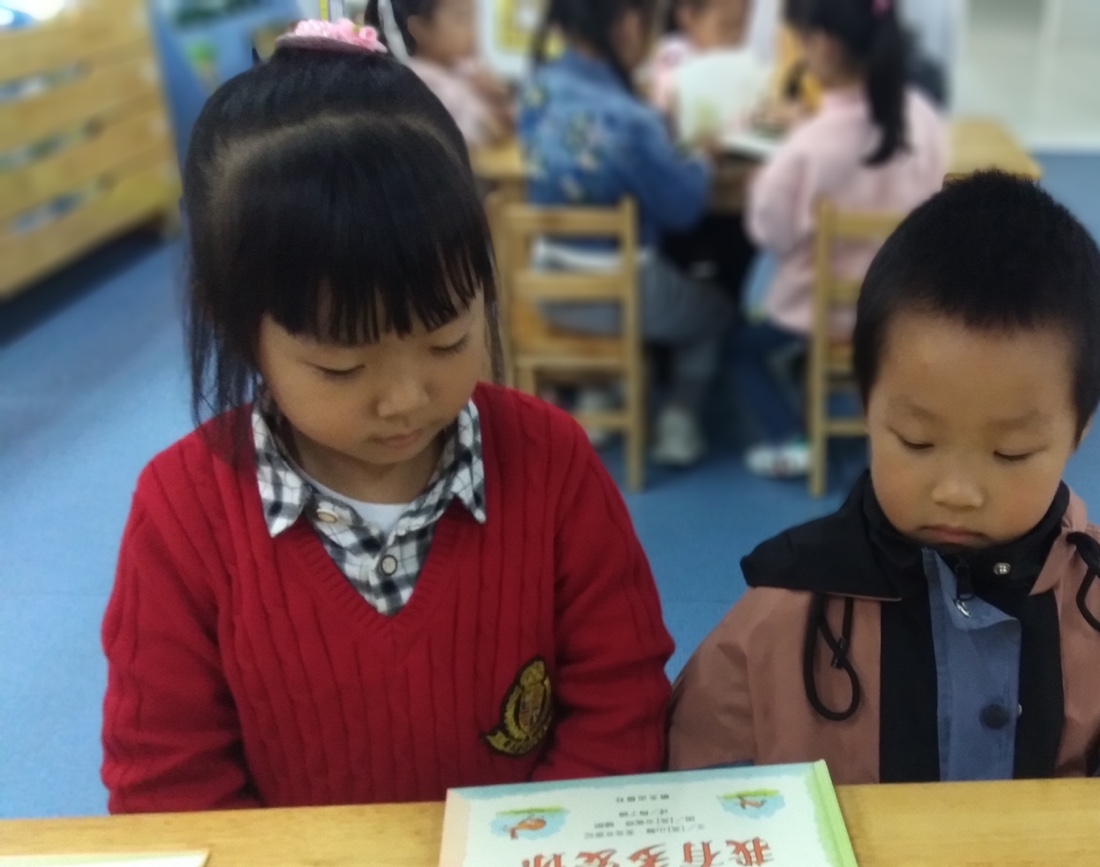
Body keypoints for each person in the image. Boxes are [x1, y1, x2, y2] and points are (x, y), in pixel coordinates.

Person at [101, 20, 673, 813]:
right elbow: (168, 785)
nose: (406, 398)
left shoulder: (551, 461)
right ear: (237, 328)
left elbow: (621, 705)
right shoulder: (182, 513)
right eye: (341, 366)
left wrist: (527, 853)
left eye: (447, 341)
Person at [670, 174, 1100, 802]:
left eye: (1011, 453)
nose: (958, 492)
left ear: (1079, 430)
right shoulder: (781, 616)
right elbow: (698, 788)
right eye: (917, 441)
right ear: (866, 406)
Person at [731, 0, 948, 479]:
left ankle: (790, 440)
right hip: (898, 304)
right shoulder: (923, 118)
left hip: (819, 310)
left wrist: (760, 183)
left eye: (803, 41)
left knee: (739, 348)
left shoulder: (807, 147)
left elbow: (770, 234)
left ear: (825, 45)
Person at [520, 0, 733, 467]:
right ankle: (679, 420)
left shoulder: (538, 89)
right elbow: (682, 209)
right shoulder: (630, 119)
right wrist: (703, 160)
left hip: (547, 282)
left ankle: (602, 393)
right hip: (622, 290)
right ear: (630, 23)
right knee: (716, 314)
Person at [363, 0, 513, 148]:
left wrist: (498, 97)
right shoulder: (421, 82)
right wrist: (493, 121)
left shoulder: (464, 68)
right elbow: (461, 138)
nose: (473, 29)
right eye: (461, 17)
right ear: (420, 28)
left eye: (474, 17)